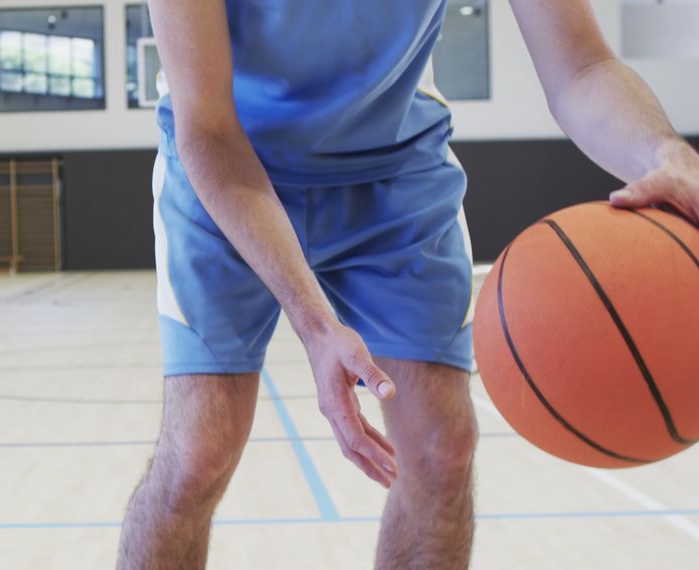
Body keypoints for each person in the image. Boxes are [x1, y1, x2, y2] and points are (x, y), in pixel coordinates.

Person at [117, 0, 699, 568]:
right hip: (227, 160)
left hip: (394, 166)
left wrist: (665, 155)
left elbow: (581, 68)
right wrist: (317, 326)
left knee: (442, 449)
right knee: (197, 453)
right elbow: (209, 131)